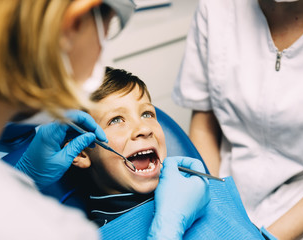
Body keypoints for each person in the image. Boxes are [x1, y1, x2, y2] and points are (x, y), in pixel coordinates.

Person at [0, 0, 207, 239]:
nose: (143, 128)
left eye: (146, 114)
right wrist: (168, 228)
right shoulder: (61, 231)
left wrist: (27, 176)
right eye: (104, 36)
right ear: (74, 23)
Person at [172, 0, 303, 239]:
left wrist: (266, 236)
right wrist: (216, 212)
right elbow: (204, 128)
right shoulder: (216, 8)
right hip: (225, 187)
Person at [61, 67, 209, 235]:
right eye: (116, 120)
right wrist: (170, 223)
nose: (144, 129)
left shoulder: (194, 191)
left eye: (147, 114)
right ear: (80, 151)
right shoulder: (94, 235)